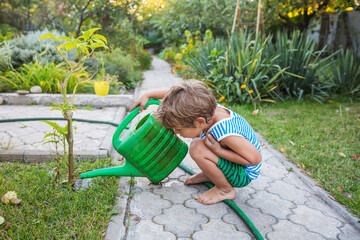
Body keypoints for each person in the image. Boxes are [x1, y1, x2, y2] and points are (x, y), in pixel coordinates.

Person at [129, 80, 262, 205]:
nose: (176, 132)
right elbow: (178, 97)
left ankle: (224, 189)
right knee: (198, 137)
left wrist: (219, 151)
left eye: (179, 129)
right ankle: (212, 175)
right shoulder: (204, 108)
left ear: (200, 122)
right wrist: (148, 95)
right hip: (234, 161)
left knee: (196, 147)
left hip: (244, 173)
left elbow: (254, 159)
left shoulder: (225, 132)